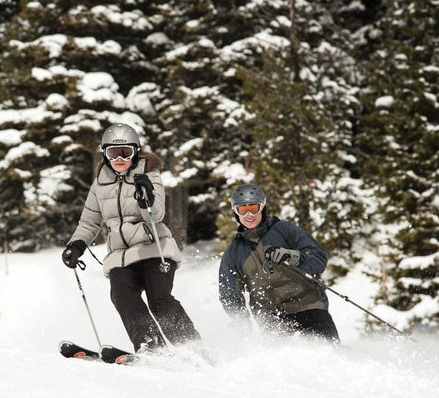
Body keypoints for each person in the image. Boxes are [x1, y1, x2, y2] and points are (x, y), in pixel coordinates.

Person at [62, 122, 201, 356]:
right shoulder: (100, 183)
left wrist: (145, 198)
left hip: (153, 249)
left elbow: (157, 215)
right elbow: (89, 222)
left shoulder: (149, 174)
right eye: (113, 153)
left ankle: (192, 346)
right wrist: (77, 244)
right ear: (105, 155)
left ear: (135, 152)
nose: (119, 158)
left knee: (160, 300)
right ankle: (150, 346)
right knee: (121, 294)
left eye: (125, 152)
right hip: (120, 257)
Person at [218, 183, 340, 342]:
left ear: (262, 207)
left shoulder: (285, 230)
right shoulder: (233, 253)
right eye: (243, 209)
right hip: (272, 320)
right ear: (236, 212)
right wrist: (242, 323)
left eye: (253, 208)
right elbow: (229, 294)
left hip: (308, 306)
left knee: (330, 354)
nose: (249, 214)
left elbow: (318, 259)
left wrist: (293, 256)